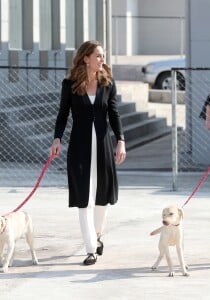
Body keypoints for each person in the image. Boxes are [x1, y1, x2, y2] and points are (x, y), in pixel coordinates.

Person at [50, 40, 126, 266]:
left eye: (103, 56)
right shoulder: (70, 83)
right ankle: (91, 248)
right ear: (86, 58)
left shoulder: (107, 83)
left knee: (101, 196)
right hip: (79, 147)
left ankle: (98, 234)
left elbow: (114, 114)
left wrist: (120, 140)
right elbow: (63, 114)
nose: (103, 60)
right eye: (99, 56)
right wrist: (57, 138)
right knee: (85, 198)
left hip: (103, 146)